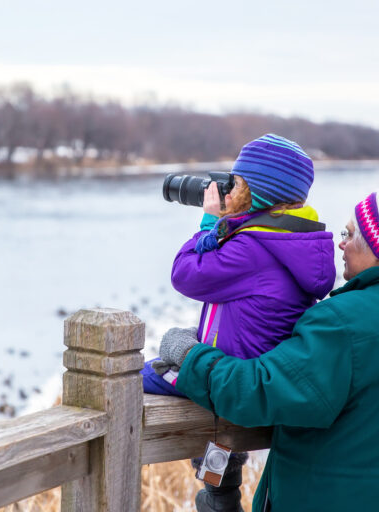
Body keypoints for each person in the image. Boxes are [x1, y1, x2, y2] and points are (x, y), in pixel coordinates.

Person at [159, 188, 379, 512]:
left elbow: (256, 390)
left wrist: (191, 354)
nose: (341, 243)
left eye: (349, 233)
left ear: (378, 245)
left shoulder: (342, 322)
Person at [141, 134, 337, 511]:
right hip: (259, 368)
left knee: (140, 381)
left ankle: (221, 493)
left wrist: (209, 223)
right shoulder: (288, 239)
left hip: (232, 372)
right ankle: (222, 489)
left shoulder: (252, 248)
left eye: (237, 181)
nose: (229, 188)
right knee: (193, 389)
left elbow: (186, 274)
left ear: (258, 191)